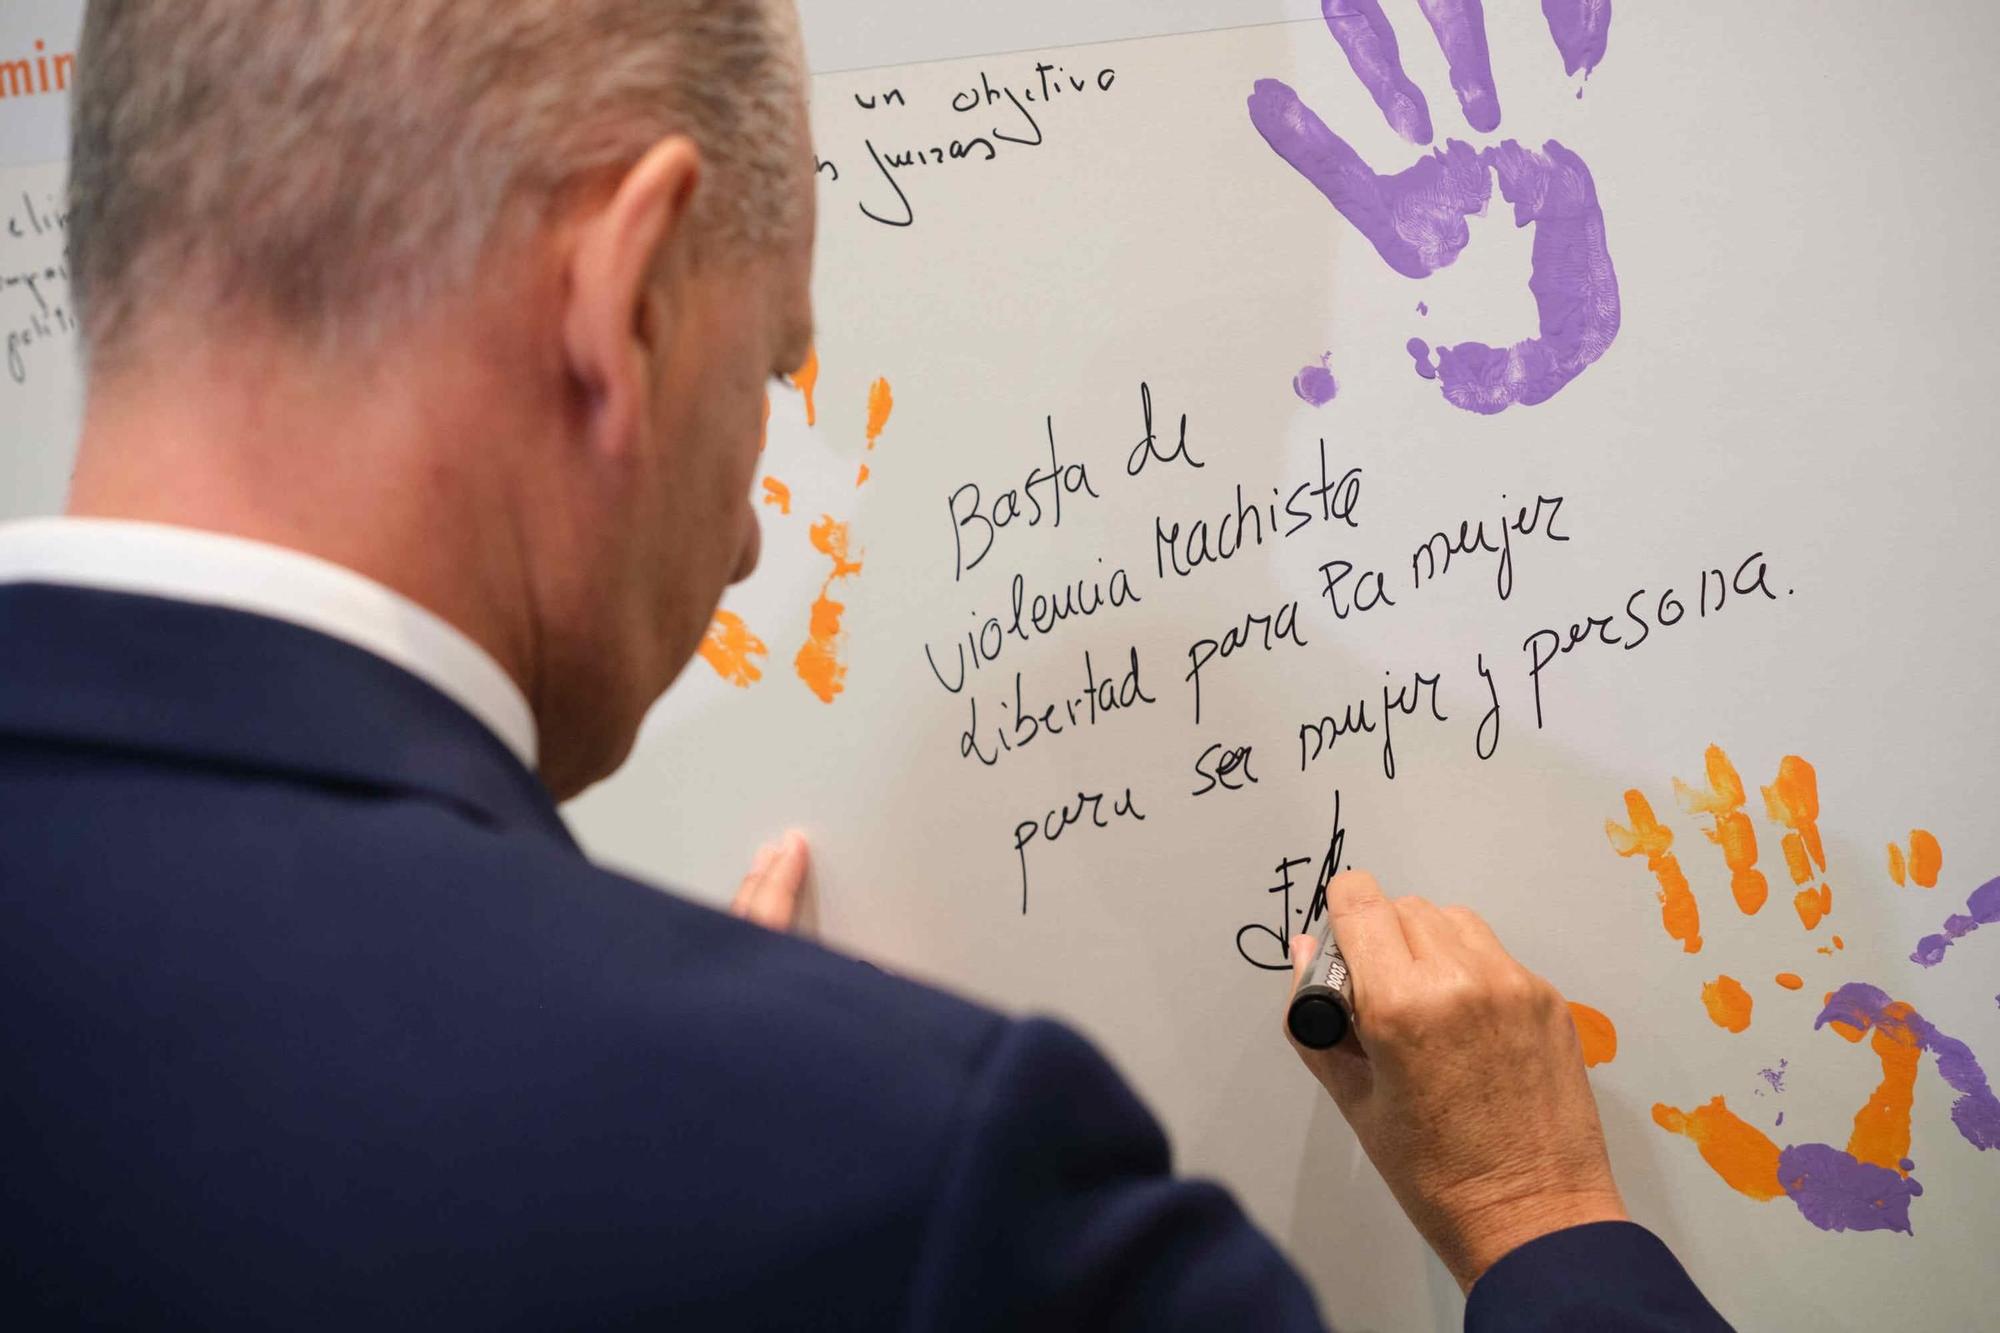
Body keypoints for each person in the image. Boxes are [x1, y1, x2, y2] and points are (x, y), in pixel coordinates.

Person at [0, 2, 1729, 1328]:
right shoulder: (912, 1176)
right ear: (628, 303)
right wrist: (1539, 1217)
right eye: (772, 366)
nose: (750, 537)